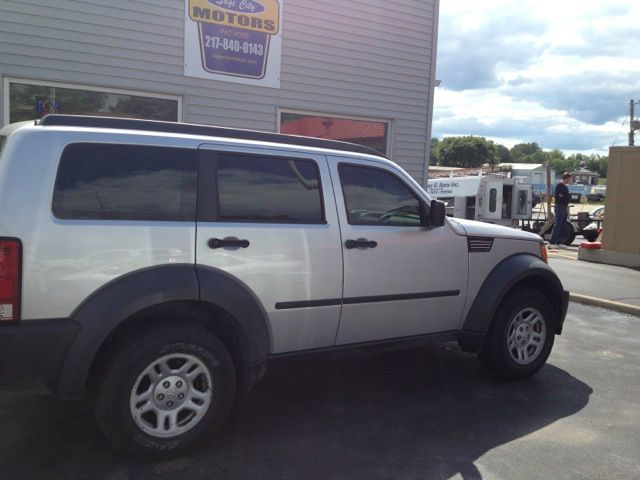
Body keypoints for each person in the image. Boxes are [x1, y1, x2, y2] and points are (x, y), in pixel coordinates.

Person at [549, 172, 572, 248]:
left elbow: (564, 196)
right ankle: (551, 242)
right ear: (566, 178)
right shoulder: (560, 186)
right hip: (559, 206)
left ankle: (558, 242)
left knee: (562, 224)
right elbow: (560, 196)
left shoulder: (565, 186)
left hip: (564, 207)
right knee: (557, 224)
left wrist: (565, 197)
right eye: (569, 178)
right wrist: (565, 197)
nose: (570, 180)